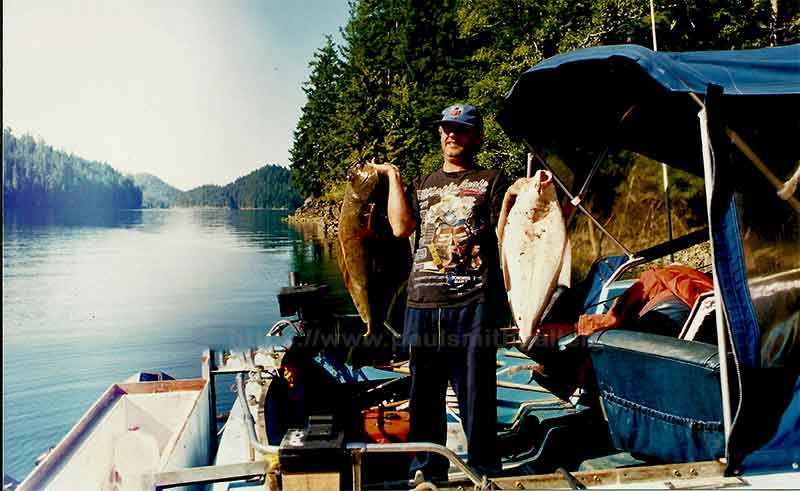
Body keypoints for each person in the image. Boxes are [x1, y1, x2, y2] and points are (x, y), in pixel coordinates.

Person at [372, 103, 508, 480]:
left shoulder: (492, 179)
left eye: (461, 129)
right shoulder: (423, 183)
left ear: (476, 137)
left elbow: (508, 229)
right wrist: (394, 177)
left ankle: (485, 471)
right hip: (422, 302)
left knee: (477, 395)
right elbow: (401, 228)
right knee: (423, 396)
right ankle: (427, 471)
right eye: (447, 128)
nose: (452, 134)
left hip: (473, 302)